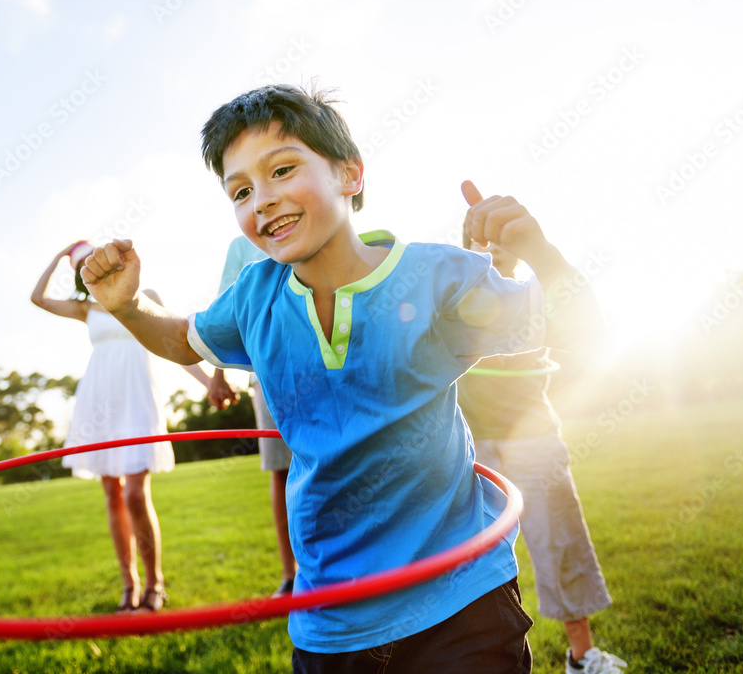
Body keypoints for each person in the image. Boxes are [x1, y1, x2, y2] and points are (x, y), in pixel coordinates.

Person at [77, 84, 604, 672]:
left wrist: (540, 250)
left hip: (460, 602)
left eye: (282, 170)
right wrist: (127, 308)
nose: (263, 200)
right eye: (242, 191)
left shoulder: (439, 277)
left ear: (350, 174)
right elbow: (180, 339)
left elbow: (578, 328)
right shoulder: (254, 298)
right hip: (331, 621)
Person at [457, 238, 627, 673]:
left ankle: (582, 656)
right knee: (473, 563)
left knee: (560, 544)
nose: (492, 247)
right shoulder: (452, 300)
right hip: (474, 447)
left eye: (499, 239)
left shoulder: (535, 298)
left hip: (533, 437)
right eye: (480, 239)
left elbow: (584, 323)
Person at [31, 242, 212, 613]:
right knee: (112, 495)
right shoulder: (85, 309)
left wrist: (209, 383)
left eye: (90, 257)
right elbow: (39, 299)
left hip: (136, 396)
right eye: (80, 265)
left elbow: (173, 340)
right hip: (98, 400)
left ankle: (155, 583)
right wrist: (60, 255)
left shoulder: (143, 295)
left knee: (134, 494)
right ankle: (129, 585)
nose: (88, 265)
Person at [207, 235, 297, 597]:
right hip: (268, 373)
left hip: (329, 365)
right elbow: (226, 308)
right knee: (280, 471)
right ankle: (291, 575)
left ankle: (346, 567)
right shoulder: (242, 246)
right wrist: (218, 371)